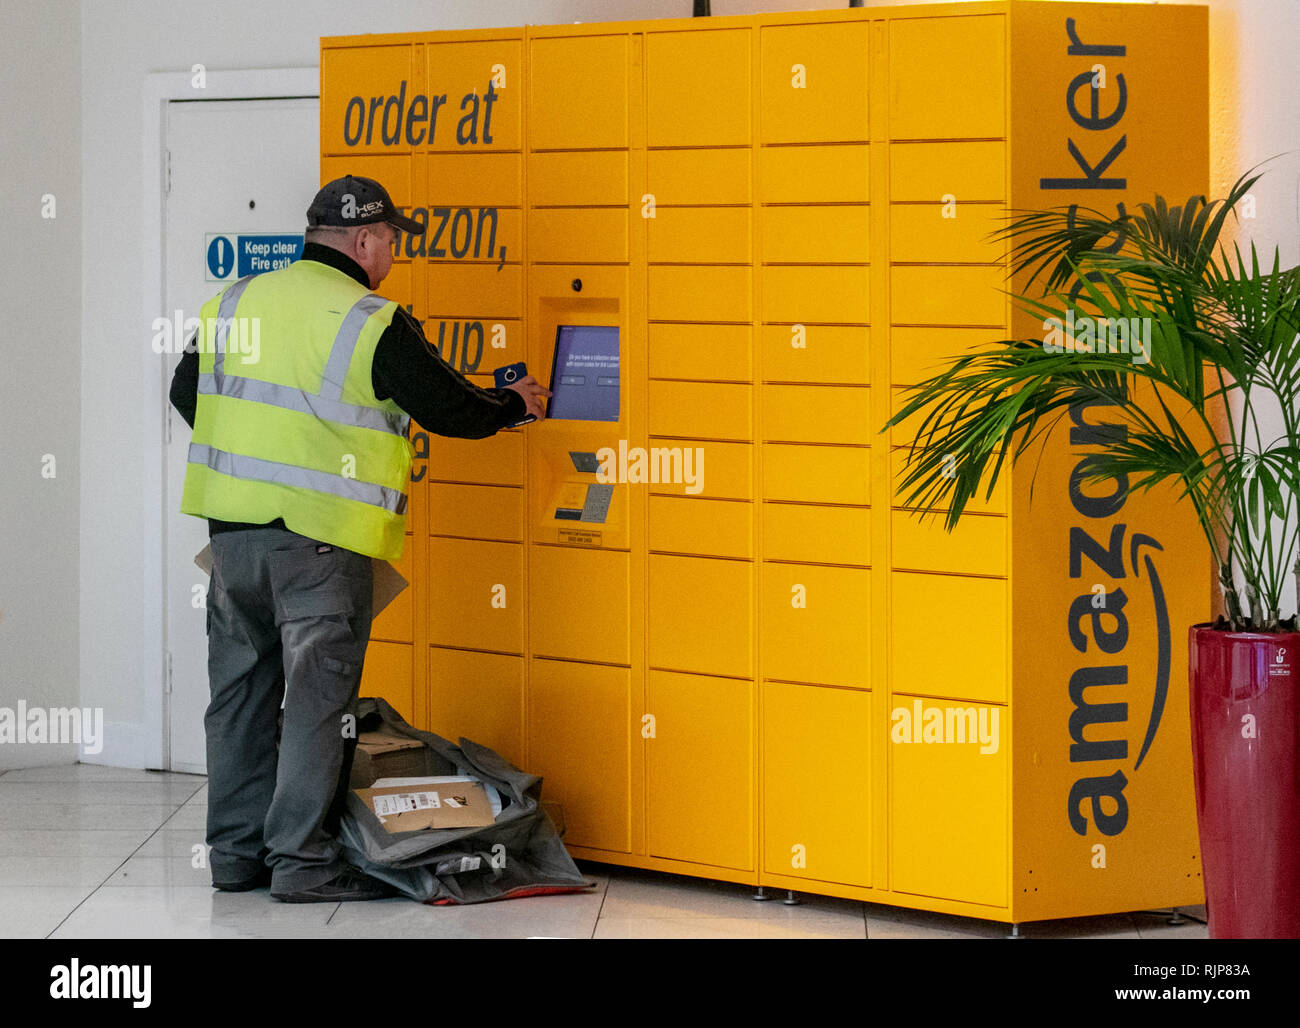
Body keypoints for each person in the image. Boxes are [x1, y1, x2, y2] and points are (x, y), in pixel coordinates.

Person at [168, 175, 549, 902]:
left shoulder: (234, 303)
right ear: (366, 240)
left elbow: (188, 394)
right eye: (392, 243)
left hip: (233, 541)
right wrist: (512, 404)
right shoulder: (370, 317)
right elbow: (446, 405)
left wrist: (256, 461)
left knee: (240, 699)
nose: (392, 257)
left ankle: (234, 859)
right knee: (317, 703)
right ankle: (302, 864)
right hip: (319, 547)